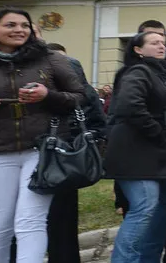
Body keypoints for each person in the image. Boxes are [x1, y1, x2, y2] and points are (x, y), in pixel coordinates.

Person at [0, 8, 84, 263]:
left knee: (30, 221)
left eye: (24, 25)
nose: (19, 30)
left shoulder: (49, 59)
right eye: (10, 25)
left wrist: (48, 95)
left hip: (42, 150)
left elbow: (80, 97)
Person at [105, 31, 166, 262]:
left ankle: (147, 257)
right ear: (138, 50)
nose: (162, 46)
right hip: (136, 150)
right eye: (154, 43)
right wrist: (157, 130)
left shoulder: (159, 73)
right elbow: (129, 105)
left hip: (160, 151)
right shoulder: (138, 71)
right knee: (144, 207)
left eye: (163, 43)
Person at [42, 43, 108, 263]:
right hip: (7, 151)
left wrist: (83, 137)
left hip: (60, 151)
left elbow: (87, 104)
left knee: (61, 218)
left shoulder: (67, 66)